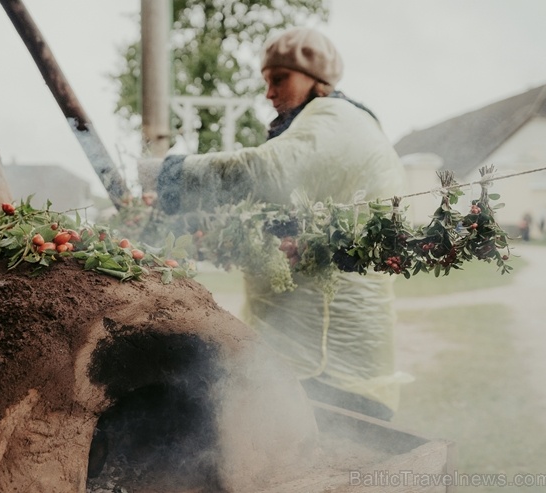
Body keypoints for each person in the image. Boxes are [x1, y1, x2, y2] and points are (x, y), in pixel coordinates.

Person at [156, 27, 407, 420]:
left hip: (327, 365)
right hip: (304, 354)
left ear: (317, 79)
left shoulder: (336, 119)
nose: (269, 93)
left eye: (279, 79)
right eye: (266, 81)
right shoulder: (319, 124)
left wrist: (169, 176)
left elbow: (266, 174)